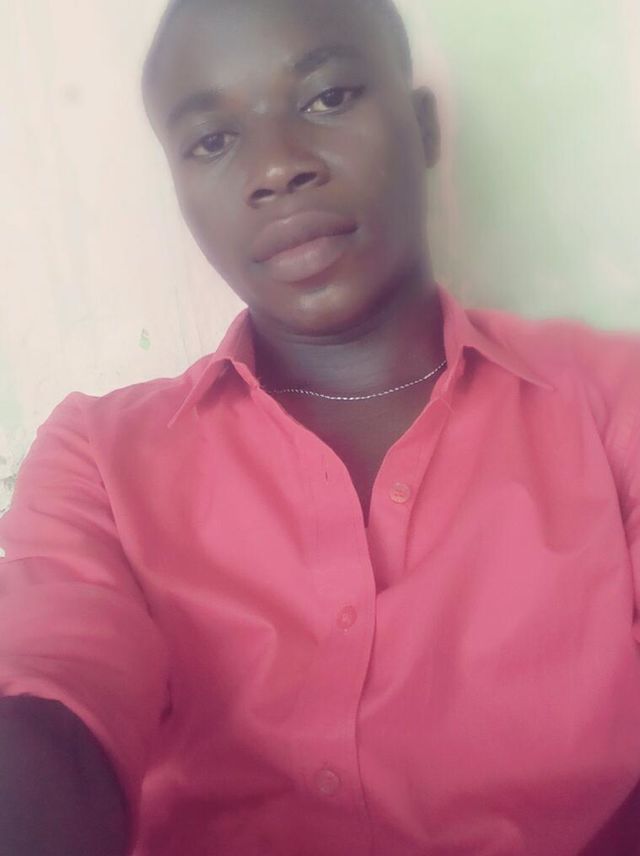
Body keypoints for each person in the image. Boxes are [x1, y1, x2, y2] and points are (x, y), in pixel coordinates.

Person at [1, 0, 639, 853]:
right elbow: (49, 700)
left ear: (423, 127)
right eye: (212, 140)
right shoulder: (100, 457)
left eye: (328, 97)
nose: (276, 167)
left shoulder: (614, 405)